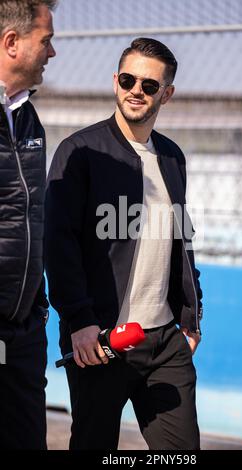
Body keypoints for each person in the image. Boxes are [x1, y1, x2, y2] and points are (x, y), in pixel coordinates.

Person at [45, 37, 203, 450]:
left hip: (166, 342)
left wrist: (191, 312)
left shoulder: (172, 157)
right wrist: (79, 320)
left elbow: (181, 240)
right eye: (129, 79)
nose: (137, 90)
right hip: (100, 341)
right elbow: (58, 243)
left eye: (150, 85)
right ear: (116, 81)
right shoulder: (79, 151)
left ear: (166, 94)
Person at [0, 0, 56, 450]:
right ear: (12, 43)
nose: (52, 53)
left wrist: (35, 309)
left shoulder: (26, 114)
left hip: (22, 331)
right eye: (46, 41)